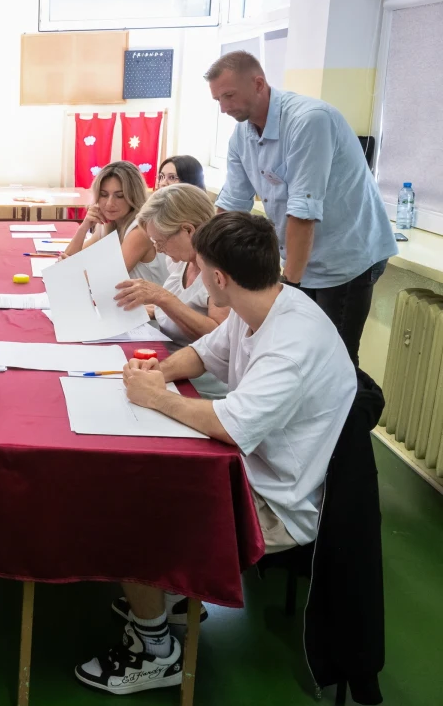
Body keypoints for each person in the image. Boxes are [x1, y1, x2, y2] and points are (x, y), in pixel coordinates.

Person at [75, 212, 356, 696]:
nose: (196, 278)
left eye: (201, 270)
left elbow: (231, 424)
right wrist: (157, 375)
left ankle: (154, 650)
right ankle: (164, 596)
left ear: (219, 278)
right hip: (253, 465)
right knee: (133, 479)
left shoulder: (292, 341)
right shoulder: (263, 305)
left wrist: (157, 399)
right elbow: (206, 352)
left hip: (274, 500)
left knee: (125, 511)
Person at [206, 50, 397, 364]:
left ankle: (353, 414)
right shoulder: (242, 135)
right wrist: (208, 259)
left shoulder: (309, 121)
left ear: (258, 83)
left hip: (346, 257)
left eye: (229, 96)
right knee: (294, 354)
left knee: (332, 360)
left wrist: (287, 287)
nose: (224, 108)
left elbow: (303, 212)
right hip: (302, 256)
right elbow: (231, 206)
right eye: (218, 100)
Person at [114, 184, 229, 400]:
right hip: (168, 368)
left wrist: (163, 298)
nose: (157, 249)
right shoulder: (180, 262)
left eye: (161, 241)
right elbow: (179, 306)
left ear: (188, 230)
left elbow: (219, 337)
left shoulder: (220, 270)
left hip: (200, 385)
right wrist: (150, 306)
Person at [63, 161, 171, 284]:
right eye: (103, 195)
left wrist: (68, 270)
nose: (109, 204)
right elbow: (68, 260)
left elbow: (107, 280)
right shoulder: (110, 222)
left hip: (150, 303)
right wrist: (83, 227)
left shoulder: (140, 230)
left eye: (119, 196)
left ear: (134, 196)